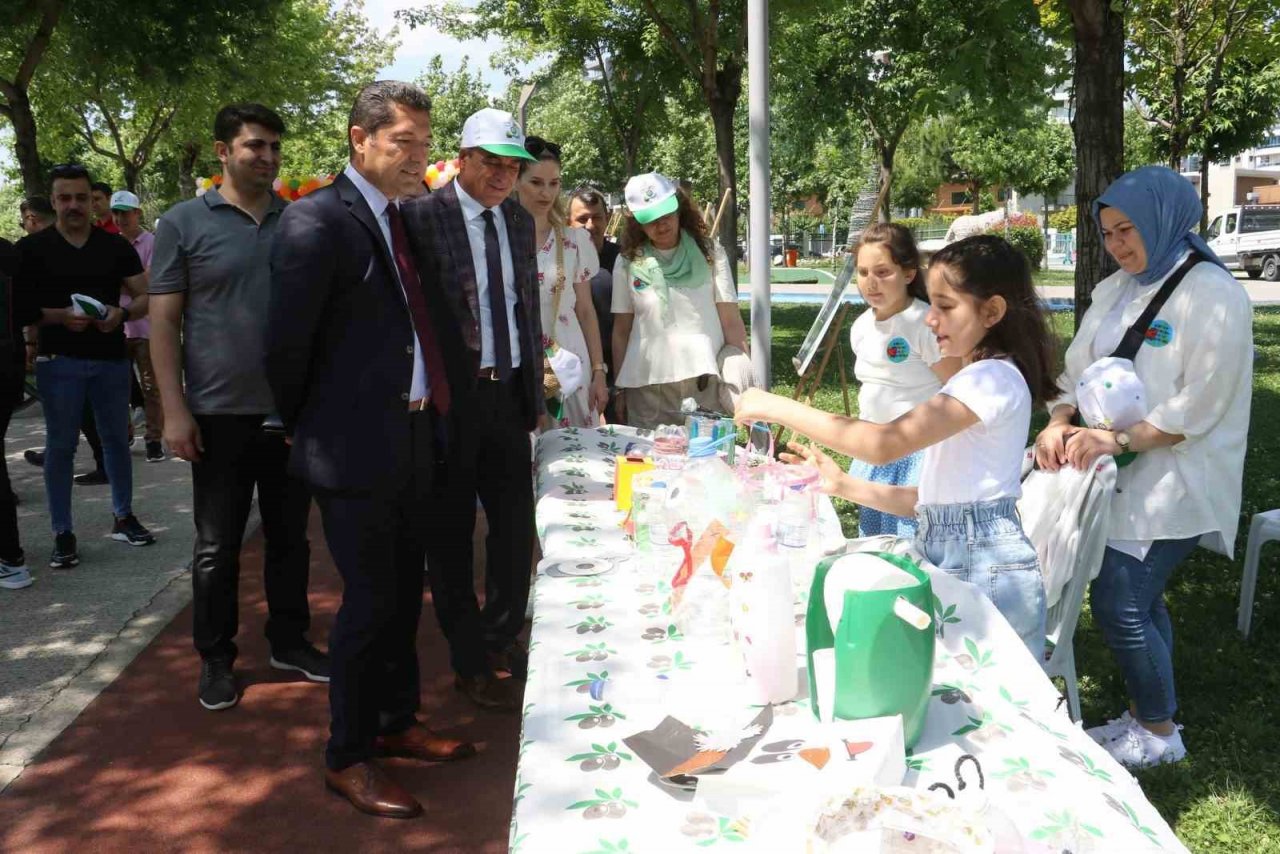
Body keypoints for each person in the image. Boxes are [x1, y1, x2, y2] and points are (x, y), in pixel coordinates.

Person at [268, 81, 477, 819]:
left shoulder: (402, 219)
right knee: (368, 604)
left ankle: (395, 723)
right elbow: (285, 350)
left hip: (416, 435)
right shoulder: (314, 223)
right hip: (353, 449)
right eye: (404, 144)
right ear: (360, 139)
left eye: (425, 144)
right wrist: (313, 426)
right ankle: (347, 755)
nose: (419, 157)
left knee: (402, 595)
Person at [736, 235, 1055, 659]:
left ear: (992, 311)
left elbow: (883, 443)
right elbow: (934, 503)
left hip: (985, 572)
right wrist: (843, 484)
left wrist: (776, 406)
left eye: (946, 306)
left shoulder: (989, 381)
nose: (930, 319)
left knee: (993, 710)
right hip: (965, 560)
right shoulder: (977, 379)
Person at [1032, 166, 1252, 769]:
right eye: (1107, 234)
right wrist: (1059, 419)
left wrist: (1116, 439)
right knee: (1141, 600)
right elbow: (1077, 369)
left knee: (1121, 600)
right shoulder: (1115, 290)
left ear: (1165, 220)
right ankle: (1150, 717)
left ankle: (1159, 733)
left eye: (1128, 230)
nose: (1118, 245)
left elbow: (1203, 403)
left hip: (1177, 478)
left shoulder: (1213, 293)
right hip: (1118, 474)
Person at [151, 103, 325, 712]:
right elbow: (164, 322)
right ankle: (216, 658)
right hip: (216, 414)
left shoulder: (299, 219)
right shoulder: (181, 223)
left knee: (289, 539)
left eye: (275, 146)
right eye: (256, 146)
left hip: (289, 414)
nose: (269, 158)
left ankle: (290, 641)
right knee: (216, 544)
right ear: (223, 150)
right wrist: (173, 411)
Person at [401, 107, 543, 708]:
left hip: (507, 393)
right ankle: (467, 655)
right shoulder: (419, 217)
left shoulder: (517, 220)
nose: (504, 175)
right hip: (450, 400)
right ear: (462, 159)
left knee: (515, 528)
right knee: (452, 532)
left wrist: (532, 390)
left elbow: (524, 309)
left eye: (514, 165)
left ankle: (501, 632)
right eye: (491, 162)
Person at [12, 164, 155, 568]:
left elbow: (146, 295)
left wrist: (120, 314)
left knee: (116, 442)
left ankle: (123, 516)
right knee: (61, 448)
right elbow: (20, 308)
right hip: (58, 363)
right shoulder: (31, 250)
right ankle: (63, 532)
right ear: (53, 201)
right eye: (64, 198)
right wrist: (58, 316)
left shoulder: (114, 247)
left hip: (110, 359)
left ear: (94, 200)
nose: (73, 206)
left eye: (81, 197)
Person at [845, 223, 959, 537]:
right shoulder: (860, 327)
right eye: (863, 272)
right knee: (876, 537)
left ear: (908, 274)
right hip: (874, 447)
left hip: (918, 453)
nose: (871, 283)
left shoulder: (925, 324)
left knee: (910, 539)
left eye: (883, 272)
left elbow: (957, 390)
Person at [611, 172, 748, 429]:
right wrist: (619, 390)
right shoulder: (627, 262)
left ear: (679, 207)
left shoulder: (711, 253)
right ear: (636, 222)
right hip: (646, 390)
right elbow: (621, 330)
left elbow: (731, 321)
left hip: (704, 384)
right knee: (649, 466)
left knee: (708, 463)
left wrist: (745, 380)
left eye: (666, 213)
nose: (661, 224)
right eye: (650, 219)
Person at [515, 137, 607, 426]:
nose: (546, 193)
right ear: (516, 181)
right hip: (518, 363)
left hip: (568, 361)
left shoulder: (575, 241)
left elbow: (585, 310)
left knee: (576, 458)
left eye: (554, 183)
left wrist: (599, 371)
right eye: (536, 182)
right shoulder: (499, 237)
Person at [110, 190, 164, 462]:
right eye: (116, 213)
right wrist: (135, 284)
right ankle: (124, 434)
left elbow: (150, 281)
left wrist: (129, 283)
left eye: (125, 212)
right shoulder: (110, 245)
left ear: (137, 213)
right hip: (117, 326)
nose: (120, 218)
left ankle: (154, 439)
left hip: (146, 326)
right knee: (117, 387)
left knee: (152, 386)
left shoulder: (152, 242)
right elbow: (120, 283)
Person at [569, 187, 621, 420]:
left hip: (617, 366)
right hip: (573, 364)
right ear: (568, 221)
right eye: (582, 219)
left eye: (597, 217)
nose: (590, 225)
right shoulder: (561, 260)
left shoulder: (624, 259)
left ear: (607, 218)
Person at [0, 238, 30, 589]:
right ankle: (11, 555)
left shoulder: (10, 254)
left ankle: (11, 557)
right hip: (9, 369)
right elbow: (27, 310)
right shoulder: (10, 252)